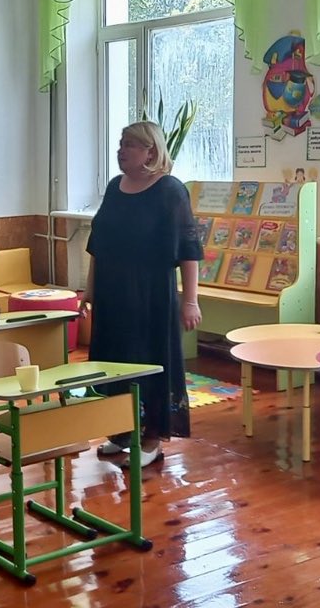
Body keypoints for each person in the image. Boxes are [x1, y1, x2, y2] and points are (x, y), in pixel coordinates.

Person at [81, 121, 203, 468]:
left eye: (130, 145)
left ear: (150, 151)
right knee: (113, 363)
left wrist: (190, 300)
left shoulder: (170, 191)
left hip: (151, 296)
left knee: (148, 363)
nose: (121, 150)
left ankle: (152, 439)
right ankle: (121, 432)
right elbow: (98, 246)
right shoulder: (114, 187)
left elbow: (188, 248)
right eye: (121, 143)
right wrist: (89, 291)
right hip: (112, 296)